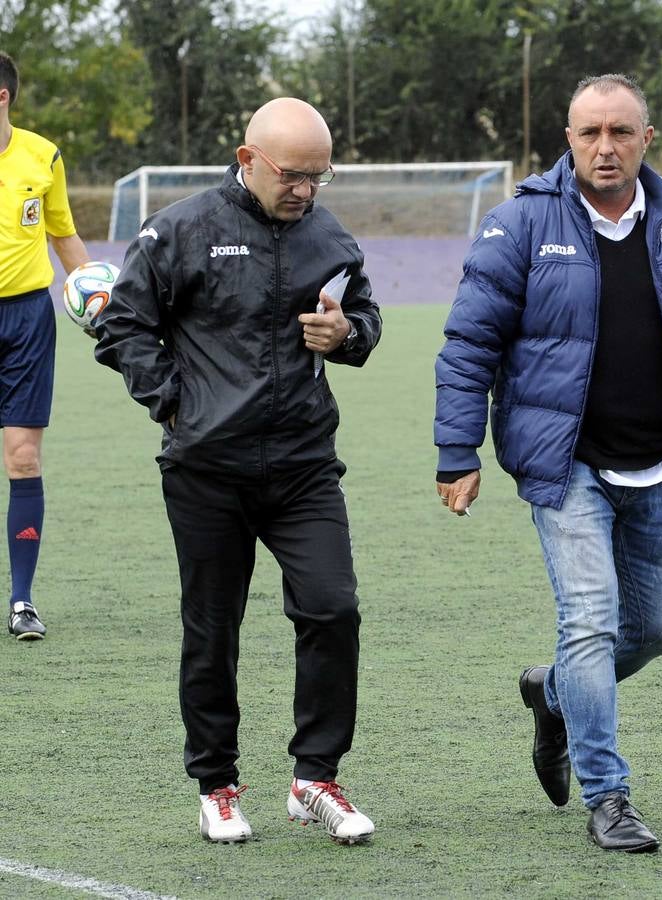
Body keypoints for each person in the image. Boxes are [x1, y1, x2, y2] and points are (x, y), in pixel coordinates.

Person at [434, 73, 662, 852]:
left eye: (619, 132)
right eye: (587, 133)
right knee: (590, 623)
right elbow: (470, 344)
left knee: (659, 630)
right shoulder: (519, 224)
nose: (604, 147)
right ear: (566, 140)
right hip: (565, 463)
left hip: (661, 463)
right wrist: (455, 451)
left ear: (646, 138)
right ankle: (609, 796)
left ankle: (553, 697)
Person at [94, 97, 382, 845]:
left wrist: (347, 333)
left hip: (303, 465)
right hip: (206, 469)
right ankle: (217, 785)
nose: (306, 190)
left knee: (333, 609)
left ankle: (314, 778)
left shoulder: (329, 233)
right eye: (292, 175)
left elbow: (366, 319)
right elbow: (122, 324)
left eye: (319, 176)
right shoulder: (183, 227)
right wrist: (172, 405)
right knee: (214, 629)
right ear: (248, 159)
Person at [0, 52, 91, 641]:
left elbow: (64, 237)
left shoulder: (43, 155)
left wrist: (103, 302)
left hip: (27, 319)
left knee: (23, 457)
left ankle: (23, 601)